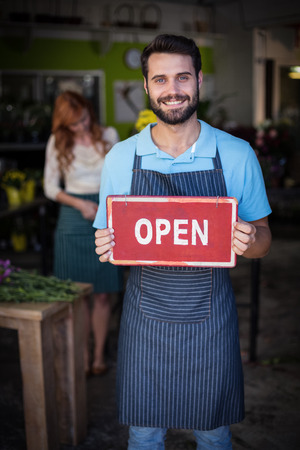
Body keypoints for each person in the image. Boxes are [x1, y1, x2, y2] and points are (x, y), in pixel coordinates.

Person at [93, 34, 272, 449]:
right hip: (145, 321)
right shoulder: (121, 158)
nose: (172, 90)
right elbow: (110, 241)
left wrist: (248, 240)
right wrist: (105, 246)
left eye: (182, 77)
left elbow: (264, 241)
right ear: (146, 86)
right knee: (144, 433)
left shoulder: (236, 154)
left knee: (213, 433)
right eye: (160, 80)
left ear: (199, 80)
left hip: (212, 321)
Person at [44, 90, 123, 376]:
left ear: (90, 112)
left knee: (103, 295)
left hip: (105, 214)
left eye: (84, 119)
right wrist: (80, 204)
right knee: (78, 295)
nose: (81, 127)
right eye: (74, 124)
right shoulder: (57, 142)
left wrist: (102, 206)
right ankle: (84, 353)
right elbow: (50, 187)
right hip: (72, 219)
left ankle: (99, 354)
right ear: (64, 125)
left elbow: (119, 177)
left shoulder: (109, 135)